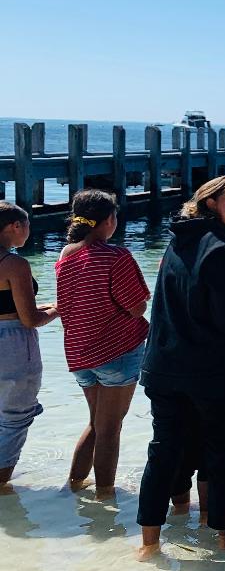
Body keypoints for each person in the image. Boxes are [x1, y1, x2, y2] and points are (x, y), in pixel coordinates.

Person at [135, 175, 225, 557]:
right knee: (223, 453)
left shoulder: (178, 240)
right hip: (211, 372)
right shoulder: (224, 250)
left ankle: (150, 544)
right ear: (211, 204)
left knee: (165, 450)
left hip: (162, 367)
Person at [54, 190, 151, 499]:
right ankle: (105, 498)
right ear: (109, 220)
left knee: (96, 425)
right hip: (115, 352)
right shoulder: (116, 256)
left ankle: (73, 488)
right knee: (110, 429)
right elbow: (137, 307)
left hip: (79, 353)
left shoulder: (66, 254)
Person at [0, 203, 59, 487]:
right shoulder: (14, 264)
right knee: (15, 418)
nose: (28, 233)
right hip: (12, 346)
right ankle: (1, 485)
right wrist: (59, 309)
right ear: (15, 227)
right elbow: (31, 319)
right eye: (27, 226)